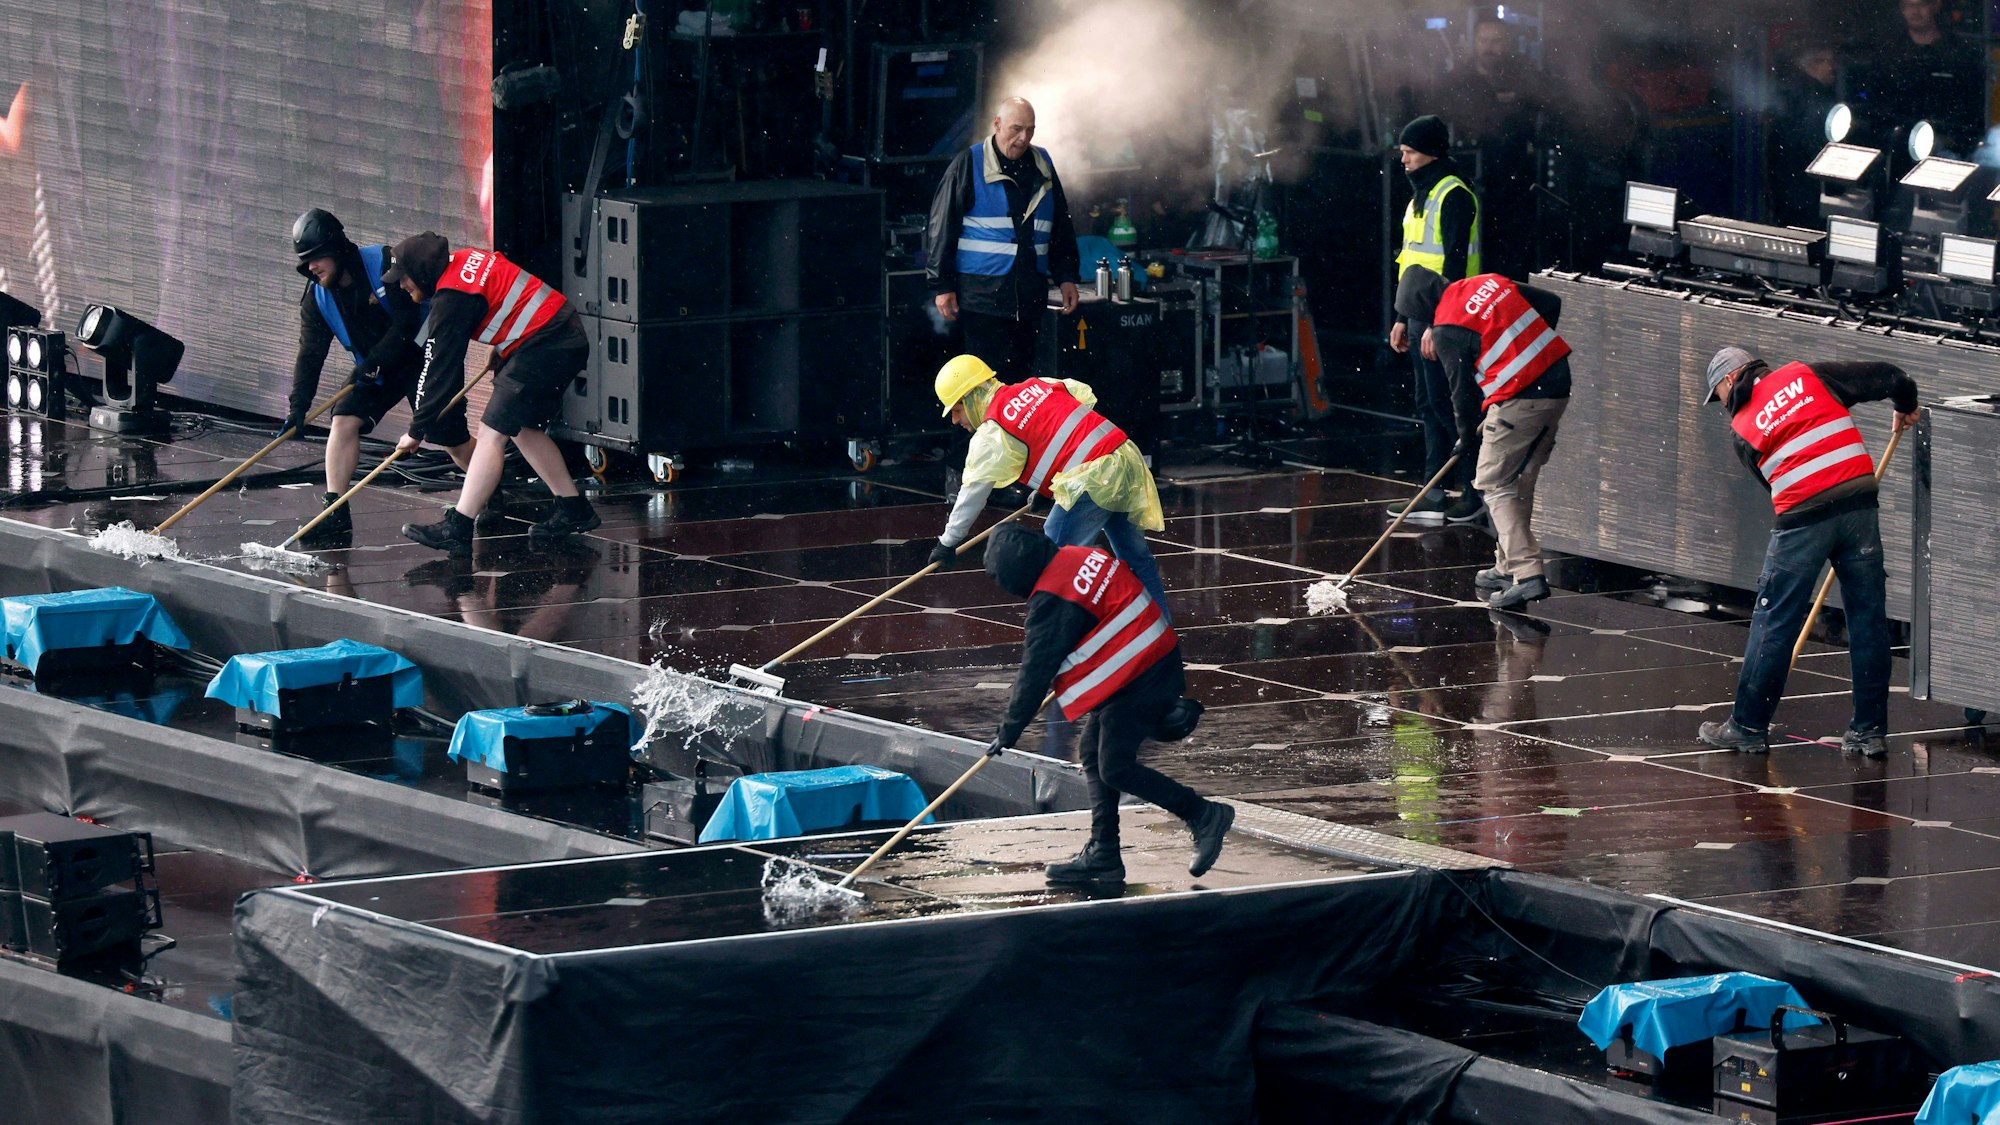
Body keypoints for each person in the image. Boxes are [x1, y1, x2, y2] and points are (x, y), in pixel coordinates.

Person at [1697, 346, 1920, 758]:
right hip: (1858, 503)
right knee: (1868, 619)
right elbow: (1891, 376)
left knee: (1774, 619)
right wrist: (1906, 406)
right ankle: (1869, 732)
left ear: (1730, 379)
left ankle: (1747, 726)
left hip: (1804, 518)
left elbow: (1775, 488)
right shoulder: (1809, 375)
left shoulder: (1742, 431)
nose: (1724, 405)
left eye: (1720, 396)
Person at [982, 523, 1229, 885]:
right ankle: (1104, 854)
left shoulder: (1053, 597)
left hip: (1139, 673)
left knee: (1114, 767)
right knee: (1092, 753)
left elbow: (1035, 671)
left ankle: (1204, 815)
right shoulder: (1080, 555)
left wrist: (1008, 731)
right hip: (1151, 658)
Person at [385, 232, 600, 556]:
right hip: (556, 332)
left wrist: (417, 430)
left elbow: (439, 369)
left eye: (404, 278)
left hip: (547, 341)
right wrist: (504, 343)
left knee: (491, 433)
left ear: (422, 271)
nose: (402, 285)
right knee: (522, 428)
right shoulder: (462, 260)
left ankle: (458, 527)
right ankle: (574, 508)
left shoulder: (452, 297)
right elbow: (505, 295)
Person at [930, 355, 1172, 624]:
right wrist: (1051, 489)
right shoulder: (1038, 385)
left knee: (1053, 564)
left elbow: (973, 492)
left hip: (1094, 478)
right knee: (1136, 558)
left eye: (957, 410)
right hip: (1123, 459)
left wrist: (948, 542)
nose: (955, 420)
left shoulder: (993, 430)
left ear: (972, 397)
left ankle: (1055, 636)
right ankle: (1161, 630)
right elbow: (1071, 417)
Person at [283, 209, 475, 545]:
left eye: (316, 258)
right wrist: (298, 406)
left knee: (447, 435)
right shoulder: (317, 297)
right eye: (305, 261)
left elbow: (407, 322)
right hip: (375, 369)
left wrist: (374, 364)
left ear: (337, 249)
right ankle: (335, 512)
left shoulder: (383, 263)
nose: (310, 267)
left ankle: (489, 490)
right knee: (343, 419)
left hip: (421, 355)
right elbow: (310, 353)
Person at [1396, 265, 1573, 609]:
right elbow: (1551, 302)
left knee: (1493, 484)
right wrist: (1530, 354)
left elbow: (1461, 394)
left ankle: (1527, 575)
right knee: (1518, 481)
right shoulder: (1487, 282)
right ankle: (1507, 566)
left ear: (1422, 309)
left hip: (1521, 399)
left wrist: (1465, 439)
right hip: (1556, 383)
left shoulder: (1447, 328)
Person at [924, 96, 1082, 384]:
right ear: (997, 124)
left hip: (1030, 299)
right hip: (981, 301)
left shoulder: (1042, 164)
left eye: (1030, 130)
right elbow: (941, 226)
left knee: (1021, 390)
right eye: (1016, 129)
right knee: (984, 388)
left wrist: (1067, 276)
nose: (1024, 138)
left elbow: (1060, 225)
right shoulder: (968, 163)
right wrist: (942, 285)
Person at [1388, 114, 1484, 524]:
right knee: (1429, 403)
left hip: (1447, 320)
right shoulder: (1420, 196)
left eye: (1409, 152)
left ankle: (1474, 489)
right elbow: (1411, 262)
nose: (1404, 160)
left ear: (1430, 152)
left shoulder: (1453, 195)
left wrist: (1436, 323)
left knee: (1453, 407)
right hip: (1421, 317)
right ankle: (1434, 489)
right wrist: (1402, 316)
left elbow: (1455, 265)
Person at [1859, 0, 1984, 149]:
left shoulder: (1958, 53)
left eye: (1922, 4)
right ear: (1902, 8)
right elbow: (1875, 104)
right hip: (1897, 145)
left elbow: (1971, 107)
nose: (1915, 11)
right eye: (1909, 5)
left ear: (1936, 5)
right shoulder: (1889, 53)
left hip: (1946, 146)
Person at [1769, 39, 1840, 226]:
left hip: (1789, 183)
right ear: (1810, 64)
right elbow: (1813, 142)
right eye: (1825, 61)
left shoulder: (1791, 91)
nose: (1832, 67)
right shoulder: (1813, 96)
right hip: (1804, 186)